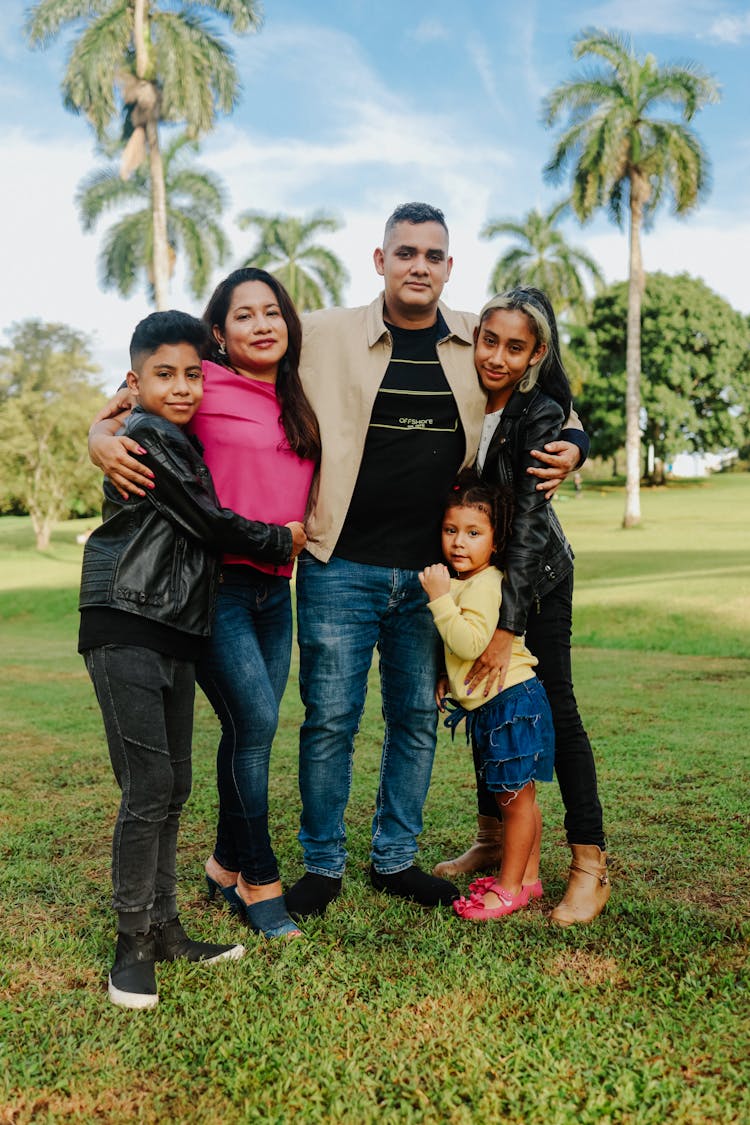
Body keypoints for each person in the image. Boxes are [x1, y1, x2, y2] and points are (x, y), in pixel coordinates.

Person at [283, 203, 588, 919]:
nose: (419, 264)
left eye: (433, 255)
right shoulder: (323, 332)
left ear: (449, 268)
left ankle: (394, 858)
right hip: (338, 564)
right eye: (405, 252)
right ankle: (323, 864)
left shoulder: (472, 344)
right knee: (330, 717)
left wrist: (579, 437)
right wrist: (123, 398)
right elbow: (227, 348)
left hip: (434, 577)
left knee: (416, 717)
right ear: (380, 259)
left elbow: (542, 394)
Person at [79, 310, 304, 1009]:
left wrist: (101, 425)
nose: (180, 387)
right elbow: (209, 519)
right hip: (127, 622)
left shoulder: (164, 432)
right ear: (134, 378)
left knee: (173, 785)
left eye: (190, 375)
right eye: (163, 375)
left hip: (173, 627)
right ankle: (131, 945)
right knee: (148, 787)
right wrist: (280, 540)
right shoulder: (146, 437)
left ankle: (167, 927)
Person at [433, 287, 610, 926]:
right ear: (474, 336)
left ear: (536, 353)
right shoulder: (460, 395)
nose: (497, 357)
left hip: (536, 579)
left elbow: (531, 521)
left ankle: (589, 864)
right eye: (489, 340)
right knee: (481, 701)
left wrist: (507, 628)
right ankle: (492, 837)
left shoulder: (540, 413)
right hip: (476, 574)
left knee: (552, 703)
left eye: (515, 347)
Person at [419, 472, 555, 919]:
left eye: (474, 533)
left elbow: (472, 642)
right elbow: (460, 653)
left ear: (496, 542)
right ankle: (529, 880)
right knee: (518, 798)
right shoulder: (465, 579)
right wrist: (448, 678)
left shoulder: (485, 582)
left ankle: (509, 888)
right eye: (451, 530)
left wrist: (439, 598)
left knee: (515, 802)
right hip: (500, 705)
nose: (459, 542)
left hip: (510, 705)